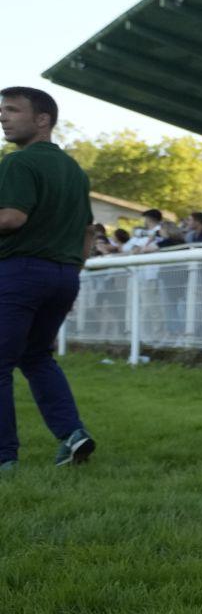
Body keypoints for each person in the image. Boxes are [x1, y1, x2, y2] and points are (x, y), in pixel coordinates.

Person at [0, 86, 96, 472]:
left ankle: (4, 457)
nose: (3, 117)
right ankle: (72, 435)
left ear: (43, 120)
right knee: (36, 356)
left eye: (11, 110)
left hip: (20, 271)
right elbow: (90, 231)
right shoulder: (75, 170)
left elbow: (11, 218)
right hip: (64, 275)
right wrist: (71, 267)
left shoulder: (17, 163)